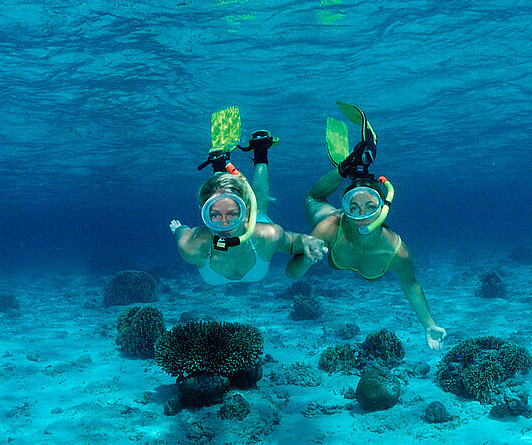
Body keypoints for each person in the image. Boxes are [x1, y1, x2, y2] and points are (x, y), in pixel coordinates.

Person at [286, 103, 446, 350]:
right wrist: (306, 258)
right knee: (312, 200)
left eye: (370, 208)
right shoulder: (329, 229)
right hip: (329, 218)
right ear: (345, 209)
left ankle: (351, 164)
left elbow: (411, 285)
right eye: (354, 207)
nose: (361, 216)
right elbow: (291, 273)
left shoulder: (397, 252)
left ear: (383, 209)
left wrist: (429, 324)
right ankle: (346, 166)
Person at [170, 117, 326, 284]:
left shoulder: (268, 235)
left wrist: (307, 241)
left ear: (246, 212)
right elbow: (182, 233)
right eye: (215, 215)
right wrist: (178, 229)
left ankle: (254, 155)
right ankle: (239, 160)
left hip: (254, 224)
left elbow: (293, 243)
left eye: (232, 214)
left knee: (260, 205)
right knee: (219, 192)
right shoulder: (190, 246)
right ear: (204, 214)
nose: (224, 224)